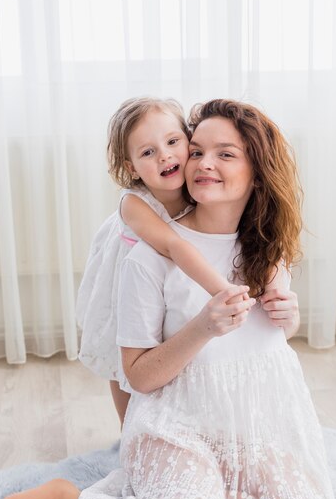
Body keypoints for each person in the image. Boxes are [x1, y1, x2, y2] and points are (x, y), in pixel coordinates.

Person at [0, 99, 336, 499]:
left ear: (258, 171)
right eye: (197, 151)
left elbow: (267, 342)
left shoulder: (265, 246)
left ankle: (208, 494)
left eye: (225, 154)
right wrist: (202, 327)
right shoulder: (148, 254)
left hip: (239, 427)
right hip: (173, 426)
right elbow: (138, 376)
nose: (201, 164)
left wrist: (289, 316)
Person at [76, 97, 252, 427]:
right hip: (125, 269)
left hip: (171, 265)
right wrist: (223, 290)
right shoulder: (134, 204)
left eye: (173, 142)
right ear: (131, 168)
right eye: (147, 152)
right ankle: (128, 430)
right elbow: (173, 245)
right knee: (123, 356)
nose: (165, 155)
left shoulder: (197, 179)